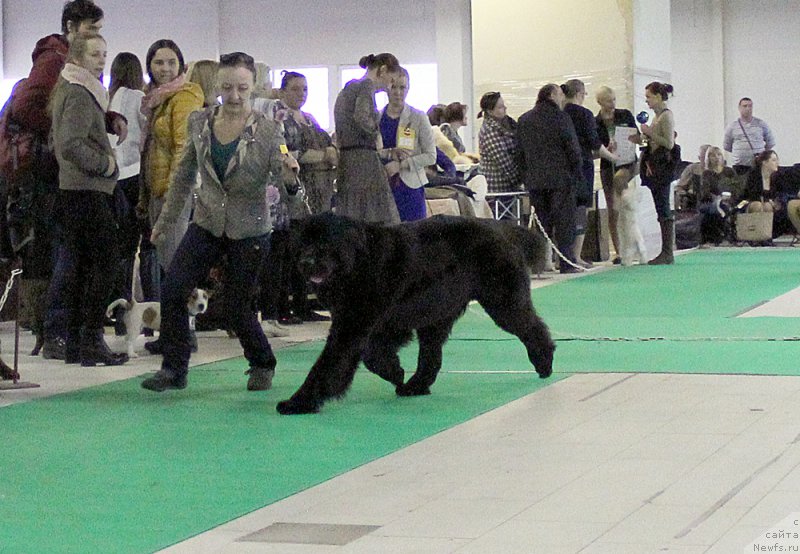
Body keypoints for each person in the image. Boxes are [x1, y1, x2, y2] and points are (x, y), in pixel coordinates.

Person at [141, 52, 299, 392]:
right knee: (172, 290)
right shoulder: (199, 122)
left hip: (250, 227)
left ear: (253, 86)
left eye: (242, 87)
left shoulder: (270, 130)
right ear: (217, 85)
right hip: (207, 220)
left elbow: (288, 187)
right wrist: (166, 222)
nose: (235, 95)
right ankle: (174, 369)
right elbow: (184, 176)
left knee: (238, 308)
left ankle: (262, 362)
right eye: (227, 87)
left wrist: (290, 179)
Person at [6, 0, 110, 359]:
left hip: (64, 173)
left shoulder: (72, 66)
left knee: (74, 256)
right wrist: (60, 135)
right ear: (71, 27)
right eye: (91, 29)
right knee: (70, 256)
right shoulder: (56, 61)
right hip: (56, 175)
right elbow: (26, 108)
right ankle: (58, 332)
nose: (96, 37)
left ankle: (64, 334)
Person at [50, 34, 127, 366]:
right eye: (95, 54)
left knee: (82, 265)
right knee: (106, 261)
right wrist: (106, 164)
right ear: (77, 58)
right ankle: (90, 338)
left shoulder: (77, 87)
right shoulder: (80, 92)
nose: (102, 60)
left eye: (104, 54)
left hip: (77, 191)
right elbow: (71, 144)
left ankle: (79, 342)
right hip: (86, 189)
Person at [138, 39, 204, 292]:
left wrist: (174, 191)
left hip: (172, 190)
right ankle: (174, 324)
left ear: (181, 65)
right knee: (167, 259)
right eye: (158, 62)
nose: (165, 68)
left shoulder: (184, 97)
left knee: (175, 261)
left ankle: (182, 326)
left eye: (171, 62)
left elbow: (183, 149)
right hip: (157, 187)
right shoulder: (157, 99)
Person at [517, 84, 581, 273]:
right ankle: (566, 262)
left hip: (535, 181)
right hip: (561, 179)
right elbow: (572, 147)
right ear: (552, 95)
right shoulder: (561, 117)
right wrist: (576, 173)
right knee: (564, 222)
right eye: (560, 94)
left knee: (541, 224)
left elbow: (519, 153)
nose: (563, 98)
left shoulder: (524, 119)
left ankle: (540, 263)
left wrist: (525, 176)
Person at [334, 53, 402, 224]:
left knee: (353, 217)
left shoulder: (347, 90)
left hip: (347, 160)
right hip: (364, 163)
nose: (389, 87)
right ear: (383, 70)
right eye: (391, 81)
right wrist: (376, 134)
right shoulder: (366, 86)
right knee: (378, 219)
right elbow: (362, 117)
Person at [107, 52, 148, 334]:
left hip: (112, 177)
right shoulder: (136, 96)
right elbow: (146, 133)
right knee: (137, 247)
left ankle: (117, 311)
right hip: (133, 174)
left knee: (119, 248)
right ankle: (136, 314)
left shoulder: (109, 98)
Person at [561, 80, 617, 267]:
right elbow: (595, 144)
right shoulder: (584, 115)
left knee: (562, 211)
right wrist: (612, 156)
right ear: (579, 93)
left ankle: (561, 255)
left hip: (562, 169)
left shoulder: (559, 113)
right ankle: (576, 255)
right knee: (581, 209)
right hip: (582, 168)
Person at [379, 67, 436, 222]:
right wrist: (388, 154)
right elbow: (374, 151)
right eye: (394, 87)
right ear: (386, 88)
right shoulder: (377, 118)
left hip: (410, 187)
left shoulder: (418, 117)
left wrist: (401, 165)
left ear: (408, 88)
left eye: (402, 87)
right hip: (383, 186)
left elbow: (431, 156)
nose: (398, 92)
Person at [632, 82, 677, 265]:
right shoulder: (657, 116)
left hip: (662, 168)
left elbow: (668, 143)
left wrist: (650, 133)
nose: (647, 101)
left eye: (649, 97)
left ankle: (667, 251)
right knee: (661, 207)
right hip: (654, 166)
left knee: (663, 207)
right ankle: (666, 251)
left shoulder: (665, 117)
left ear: (659, 96)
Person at [595, 85, 641, 264]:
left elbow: (637, 136)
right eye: (608, 101)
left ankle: (634, 244)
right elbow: (594, 148)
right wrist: (606, 149)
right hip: (608, 164)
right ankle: (619, 251)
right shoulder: (595, 122)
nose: (612, 104)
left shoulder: (625, 115)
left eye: (614, 99)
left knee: (619, 181)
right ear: (599, 102)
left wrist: (632, 138)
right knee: (612, 208)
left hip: (628, 162)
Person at [477, 91, 522, 194]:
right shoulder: (489, 132)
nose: (505, 108)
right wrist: (521, 181)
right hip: (497, 188)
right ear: (489, 111)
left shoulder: (508, 125)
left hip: (507, 185)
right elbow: (505, 163)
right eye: (500, 107)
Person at [723, 97, 776, 174]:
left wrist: (761, 153)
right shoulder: (732, 126)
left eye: (750, 106)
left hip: (758, 164)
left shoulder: (761, 124)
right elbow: (726, 146)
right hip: (739, 166)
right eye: (745, 106)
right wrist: (740, 152)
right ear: (739, 108)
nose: (748, 108)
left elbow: (770, 142)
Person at [697, 146, 738, 245]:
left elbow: (736, 188)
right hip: (710, 201)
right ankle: (716, 236)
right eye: (713, 155)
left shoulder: (730, 171)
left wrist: (729, 197)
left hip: (729, 200)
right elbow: (705, 192)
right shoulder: (706, 173)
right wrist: (718, 198)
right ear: (708, 158)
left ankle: (722, 236)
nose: (716, 158)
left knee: (724, 208)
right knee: (715, 209)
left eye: (719, 155)